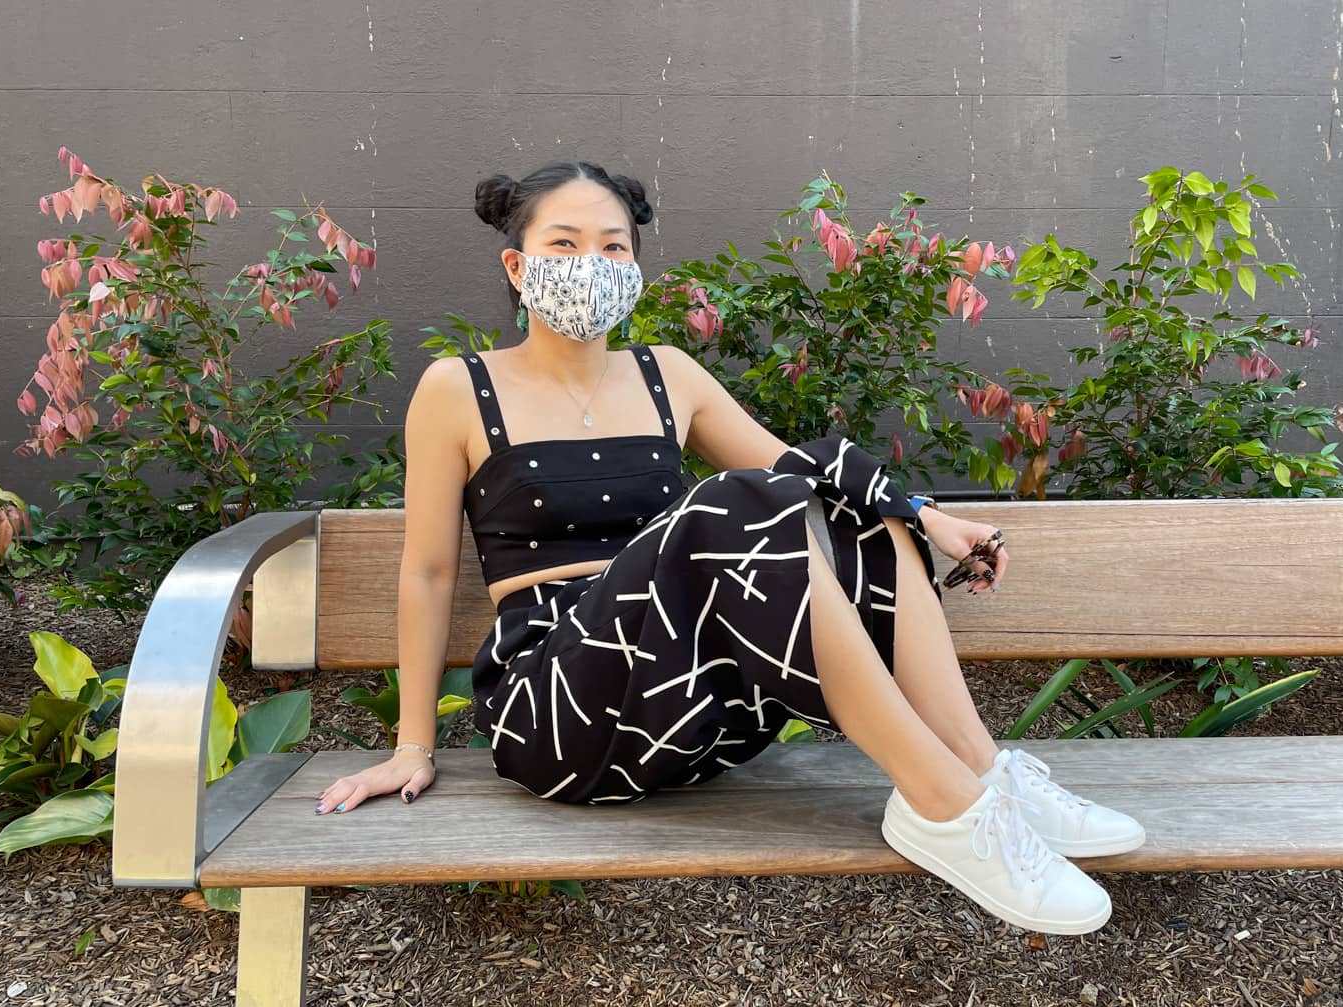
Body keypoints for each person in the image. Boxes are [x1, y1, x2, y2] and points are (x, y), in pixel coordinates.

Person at [316, 159, 1146, 936]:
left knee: (856, 506)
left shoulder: (668, 373)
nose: (590, 265)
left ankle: (982, 775)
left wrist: (925, 515)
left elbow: (793, 466)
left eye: (612, 247)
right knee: (733, 502)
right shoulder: (458, 388)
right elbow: (427, 574)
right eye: (563, 245)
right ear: (517, 267)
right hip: (561, 708)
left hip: (688, 706)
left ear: (635, 266)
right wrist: (411, 747)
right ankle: (945, 811)